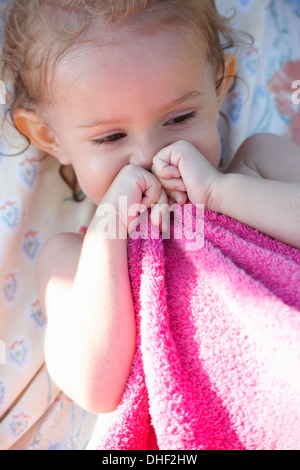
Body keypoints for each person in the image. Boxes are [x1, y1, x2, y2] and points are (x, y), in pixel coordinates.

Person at [1, 0, 299, 415]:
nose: (149, 156)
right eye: (110, 138)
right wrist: (109, 231)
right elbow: (96, 389)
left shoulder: (257, 164)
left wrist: (220, 192)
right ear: (49, 136)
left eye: (179, 118)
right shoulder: (73, 260)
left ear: (219, 86)